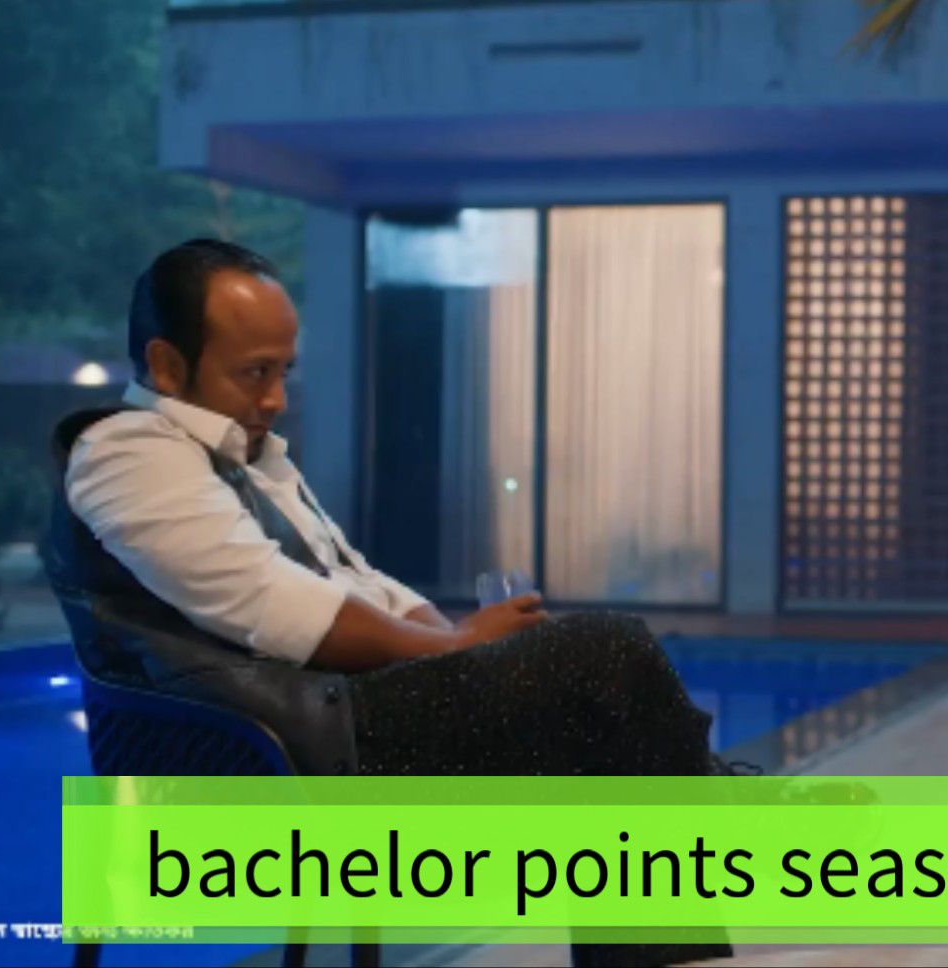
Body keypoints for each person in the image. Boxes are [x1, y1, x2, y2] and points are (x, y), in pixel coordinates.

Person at [54, 239, 724, 780]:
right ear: (168, 367)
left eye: (284, 372)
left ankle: (694, 832)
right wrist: (457, 647)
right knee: (605, 651)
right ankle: (721, 814)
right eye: (256, 372)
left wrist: (465, 647)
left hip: (344, 709)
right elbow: (271, 601)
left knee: (590, 703)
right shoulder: (127, 450)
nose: (277, 398)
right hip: (287, 744)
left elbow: (357, 579)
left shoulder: (247, 455)